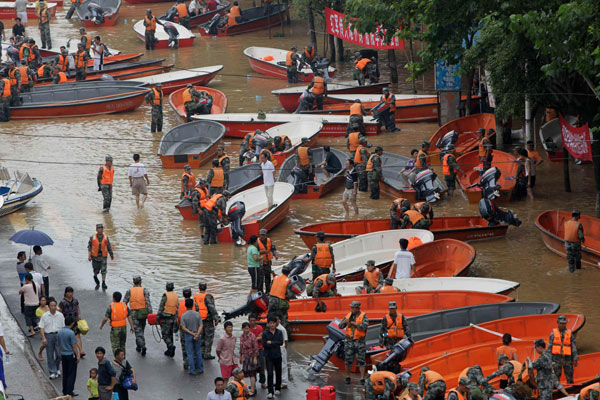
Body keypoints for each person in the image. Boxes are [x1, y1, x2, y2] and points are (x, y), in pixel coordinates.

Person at [339, 301, 368, 384]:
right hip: (349, 341)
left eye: (353, 308)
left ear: (358, 308)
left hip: (359, 342)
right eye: (351, 307)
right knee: (348, 360)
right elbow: (340, 326)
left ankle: (362, 378)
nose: (351, 309)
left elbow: (364, 327)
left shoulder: (363, 316)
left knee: (361, 360)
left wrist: (353, 323)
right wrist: (344, 322)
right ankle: (348, 377)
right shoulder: (348, 315)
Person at [123, 276, 152, 356]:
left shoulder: (129, 291)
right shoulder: (145, 290)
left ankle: (142, 346)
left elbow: (124, 303)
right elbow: (148, 302)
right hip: (143, 314)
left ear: (134, 282)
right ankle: (139, 346)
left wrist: (126, 312)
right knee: (141, 330)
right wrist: (150, 313)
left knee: (138, 332)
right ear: (140, 282)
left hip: (134, 314)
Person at [100, 291, 134, 357]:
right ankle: (123, 359)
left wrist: (102, 325)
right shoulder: (124, 305)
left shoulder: (111, 306)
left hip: (115, 329)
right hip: (124, 328)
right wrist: (132, 327)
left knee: (115, 345)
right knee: (122, 345)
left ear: (113, 298)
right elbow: (129, 317)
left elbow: (106, 318)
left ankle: (118, 361)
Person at [39, 297, 64, 379]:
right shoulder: (44, 316)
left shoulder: (60, 315)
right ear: (49, 307)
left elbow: (63, 327)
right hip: (48, 335)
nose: (53, 307)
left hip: (58, 335)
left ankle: (56, 368)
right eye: (51, 306)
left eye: (54, 305)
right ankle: (52, 371)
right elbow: (41, 327)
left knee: (59, 354)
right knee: (50, 355)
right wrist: (43, 338)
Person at [193, 281, 219, 360]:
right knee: (209, 336)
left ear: (199, 287)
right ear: (206, 287)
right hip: (207, 320)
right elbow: (212, 308)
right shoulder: (207, 296)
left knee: (201, 336)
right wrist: (216, 318)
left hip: (198, 319)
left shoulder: (195, 296)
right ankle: (207, 354)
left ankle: (201, 352)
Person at [550, 314, 578, 383]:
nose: (562, 325)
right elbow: (550, 348)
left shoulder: (570, 334)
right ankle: (556, 390)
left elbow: (573, 346)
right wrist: (549, 361)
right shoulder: (552, 334)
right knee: (556, 377)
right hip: (556, 359)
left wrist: (575, 358)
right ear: (557, 322)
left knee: (569, 376)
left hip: (567, 359)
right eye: (561, 323)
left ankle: (571, 389)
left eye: (564, 323)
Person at [58, 287, 84, 358]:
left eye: (71, 292)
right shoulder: (62, 302)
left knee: (77, 336)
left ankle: (81, 351)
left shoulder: (75, 300)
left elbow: (77, 307)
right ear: (66, 293)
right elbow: (59, 311)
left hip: (74, 321)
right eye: (69, 292)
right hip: (67, 323)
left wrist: (79, 315)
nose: (70, 294)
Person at [180, 298, 204, 375]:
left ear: (185, 306)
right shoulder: (197, 314)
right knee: (198, 352)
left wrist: (191, 333)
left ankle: (192, 370)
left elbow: (183, 327)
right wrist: (197, 334)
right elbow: (201, 325)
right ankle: (200, 369)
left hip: (188, 336)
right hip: (197, 335)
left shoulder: (183, 316)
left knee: (189, 353)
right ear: (193, 305)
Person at [268, 265, 292, 337]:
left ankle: (269, 334)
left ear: (282, 271)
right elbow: (288, 294)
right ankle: (286, 337)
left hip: (271, 300)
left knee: (270, 318)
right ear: (289, 272)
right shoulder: (288, 281)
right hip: (280, 302)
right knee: (284, 319)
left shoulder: (276, 277)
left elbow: (270, 287)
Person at [262, 316, 283, 398]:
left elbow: (281, 342)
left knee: (278, 372)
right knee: (270, 373)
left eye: (273, 323)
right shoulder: (265, 333)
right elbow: (264, 344)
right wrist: (273, 344)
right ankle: (270, 391)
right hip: (269, 356)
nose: (272, 325)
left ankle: (278, 388)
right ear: (268, 324)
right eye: (270, 323)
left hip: (278, 355)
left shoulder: (279, 332)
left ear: (276, 323)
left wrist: (271, 342)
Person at [59, 316, 80, 397]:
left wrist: (60, 354)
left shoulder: (60, 332)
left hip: (63, 354)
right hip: (70, 355)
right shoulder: (71, 333)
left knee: (65, 373)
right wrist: (77, 355)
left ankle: (64, 390)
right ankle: (69, 391)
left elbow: (59, 345)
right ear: (72, 323)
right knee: (71, 374)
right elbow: (74, 346)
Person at [88, 223, 114, 290]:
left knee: (104, 270)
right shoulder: (92, 237)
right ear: (96, 229)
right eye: (99, 228)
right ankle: (95, 276)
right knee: (96, 269)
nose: (100, 230)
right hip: (95, 257)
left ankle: (103, 282)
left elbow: (108, 246)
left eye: (102, 228)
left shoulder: (105, 237)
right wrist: (89, 256)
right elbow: (89, 247)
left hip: (103, 256)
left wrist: (111, 254)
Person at [156, 282, 178, 357]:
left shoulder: (165, 296)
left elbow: (161, 307)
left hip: (166, 318)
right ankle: (169, 351)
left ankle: (171, 346)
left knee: (165, 335)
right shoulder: (175, 295)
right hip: (174, 317)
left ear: (166, 288)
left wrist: (157, 317)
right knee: (170, 334)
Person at [240, 322, 259, 395]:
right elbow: (241, 347)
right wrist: (241, 356)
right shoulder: (242, 336)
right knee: (244, 374)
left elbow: (256, 348)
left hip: (251, 357)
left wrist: (255, 358)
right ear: (242, 329)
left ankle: (253, 390)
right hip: (245, 357)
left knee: (252, 374)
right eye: (245, 328)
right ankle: (243, 389)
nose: (246, 330)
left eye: (247, 328)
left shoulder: (252, 336)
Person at [248, 314, 266, 389]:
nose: (252, 322)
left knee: (262, 366)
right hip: (251, 351)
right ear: (248, 320)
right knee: (252, 368)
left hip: (260, 349)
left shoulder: (260, 327)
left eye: (254, 320)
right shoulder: (247, 328)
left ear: (256, 321)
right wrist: (256, 338)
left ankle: (263, 382)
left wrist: (253, 338)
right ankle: (253, 383)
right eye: (251, 320)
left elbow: (261, 337)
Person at [257, 229, 278, 293]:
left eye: (263, 235)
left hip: (268, 263)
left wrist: (275, 254)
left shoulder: (269, 241)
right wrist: (261, 252)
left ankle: (268, 291)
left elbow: (273, 249)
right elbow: (253, 253)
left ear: (266, 235)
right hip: (260, 263)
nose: (262, 236)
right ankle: (260, 292)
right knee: (260, 279)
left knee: (268, 278)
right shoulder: (256, 242)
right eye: (261, 235)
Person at [19, 273, 39, 337]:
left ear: (26, 279)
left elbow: (20, 292)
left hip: (28, 305)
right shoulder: (36, 284)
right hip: (36, 303)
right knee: (35, 316)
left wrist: (24, 284)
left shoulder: (25, 286)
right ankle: (39, 327)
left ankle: (32, 331)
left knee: (28, 317)